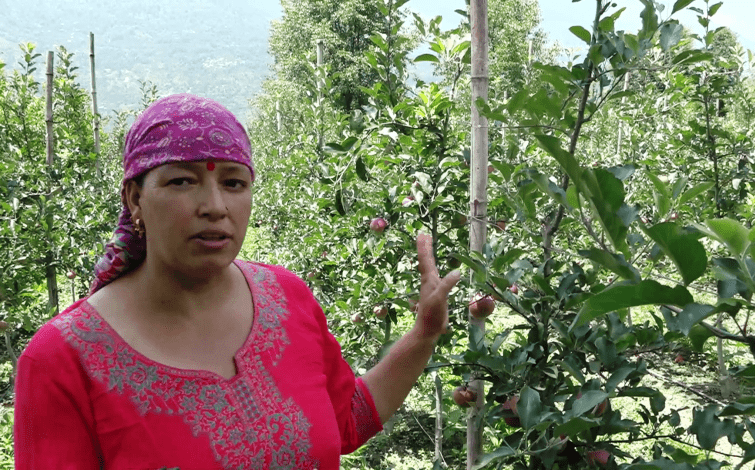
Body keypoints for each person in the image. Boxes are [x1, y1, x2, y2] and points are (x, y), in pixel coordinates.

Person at [13, 93, 461, 469]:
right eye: (182, 181)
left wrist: (424, 334)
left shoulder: (288, 297)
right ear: (135, 198)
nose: (214, 205)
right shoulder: (63, 358)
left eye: (233, 182)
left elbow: (347, 421)